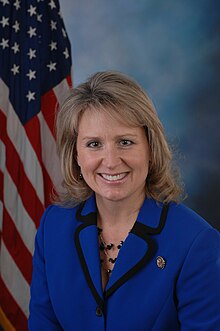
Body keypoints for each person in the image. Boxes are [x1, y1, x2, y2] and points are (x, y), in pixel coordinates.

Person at [28, 71, 220, 331]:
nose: (110, 161)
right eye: (94, 144)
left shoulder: (196, 243)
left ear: (150, 149)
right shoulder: (53, 227)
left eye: (125, 142)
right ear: (76, 155)